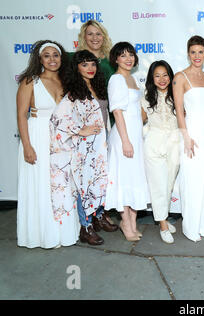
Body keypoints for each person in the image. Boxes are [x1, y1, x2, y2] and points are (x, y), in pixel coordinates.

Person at [49, 50, 117, 246]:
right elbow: (57, 120)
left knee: (98, 183)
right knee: (83, 186)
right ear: (76, 68)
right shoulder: (74, 93)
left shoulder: (98, 88)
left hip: (100, 146)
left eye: (93, 64)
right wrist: (81, 130)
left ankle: (97, 217)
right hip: (83, 148)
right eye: (85, 64)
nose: (90, 68)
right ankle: (85, 227)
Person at [16, 40, 78, 249]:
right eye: (47, 55)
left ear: (62, 58)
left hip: (62, 140)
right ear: (39, 59)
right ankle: (44, 235)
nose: (52, 59)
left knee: (62, 188)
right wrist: (27, 145)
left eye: (56, 55)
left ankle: (63, 233)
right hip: (38, 137)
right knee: (41, 185)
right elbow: (21, 116)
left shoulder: (67, 81)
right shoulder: (30, 81)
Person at [105, 42, 150, 241]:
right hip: (123, 137)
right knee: (124, 179)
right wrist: (125, 141)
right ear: (115, 59)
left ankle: (131, 222)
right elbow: (117, 112)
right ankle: (126, 222)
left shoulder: (131, 78)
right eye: (123, 55)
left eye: (130, 55)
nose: (128, 59)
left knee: (132, 178)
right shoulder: (116, 79)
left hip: (135, 135)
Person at [173, 35, 204, 242]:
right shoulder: (181, 77)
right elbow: (179, 110)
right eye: (193, 52)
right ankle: (191, 227)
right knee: (191, 181)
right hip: (192, 136)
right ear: (188, 53)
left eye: (200, 52)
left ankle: (203, 225)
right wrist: (186, 136)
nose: (197, 56)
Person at [140, 60, 179, 244]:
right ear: (151, 78)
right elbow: (137, 120)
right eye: (157, 75)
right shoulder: (146, 96)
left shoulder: (178, 94)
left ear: (170, 76)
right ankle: (163, 225)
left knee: (168, 185)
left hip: (174, 143)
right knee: (158, 185)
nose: (162, 79)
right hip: (154, 143)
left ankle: (163, 216)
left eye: (165, 75)